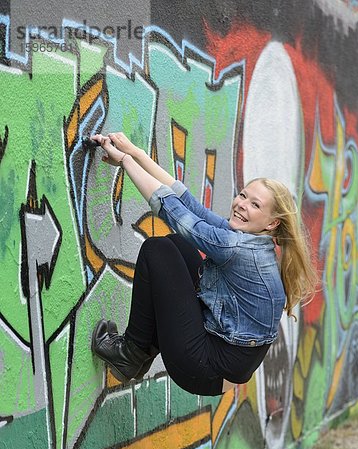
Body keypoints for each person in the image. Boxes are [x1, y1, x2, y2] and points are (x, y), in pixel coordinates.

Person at [91, 132, 317, 396]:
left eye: (255, 204)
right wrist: (136, 153)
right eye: (243, 196)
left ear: (271, 223)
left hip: (204, 369)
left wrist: (126, 163)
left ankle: (130, 353)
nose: (242, 205)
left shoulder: (240, 249)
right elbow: (193, 207)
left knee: (158, 250)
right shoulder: (252, 242)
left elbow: (175, 213)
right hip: (215, 357)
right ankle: (140, 352)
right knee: (178, 245)